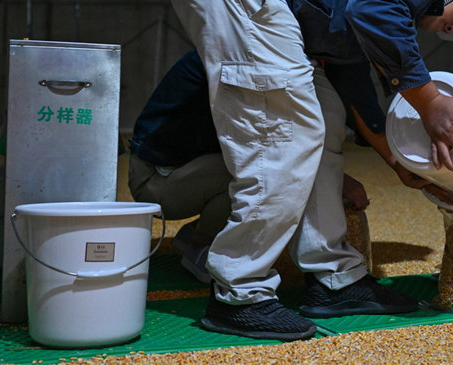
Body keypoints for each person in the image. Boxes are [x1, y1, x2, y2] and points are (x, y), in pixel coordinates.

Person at [167, 0, 453, 340]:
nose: (446, 28)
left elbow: (353, 81)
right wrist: (430, 101)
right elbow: (378, 9)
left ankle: (336, 279)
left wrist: (398, 162)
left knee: (322, 110)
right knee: (284, 132)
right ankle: (239, 291)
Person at [128, 48, 371, 285]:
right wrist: (338, 178)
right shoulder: (239, 59)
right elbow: (263, 144)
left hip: (186, 168)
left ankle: (196, 234)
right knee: (265, 171)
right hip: (157, 180)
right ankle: (204, 248)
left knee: (271, 166)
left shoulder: (247, 51)